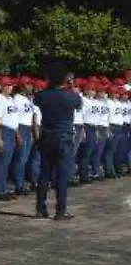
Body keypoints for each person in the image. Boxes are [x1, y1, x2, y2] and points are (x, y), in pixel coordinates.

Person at [33, 64, 83, 220]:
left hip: (47, 135)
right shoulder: (71, 95)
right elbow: (79, 105)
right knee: (62, 174)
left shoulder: (42, 95)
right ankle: (60, 210)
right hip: (65, 136)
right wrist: (72, 85)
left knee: (44, 173)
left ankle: (40, 208)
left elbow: (37, 101)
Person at [0, 77, 20, 201]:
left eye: (11, 85)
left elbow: (14, 118)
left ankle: (4, 188)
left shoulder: (11, 99)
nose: (10, 87)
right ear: (1, 87)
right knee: (2, 162)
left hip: (12, 131)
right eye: (7, 85)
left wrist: (17, 134)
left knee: (7, 162)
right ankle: (0, 190)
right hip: (4, 131)